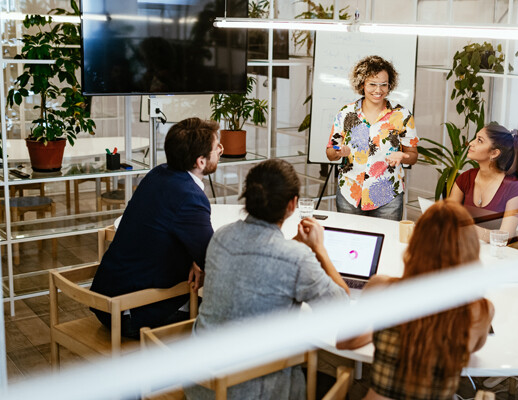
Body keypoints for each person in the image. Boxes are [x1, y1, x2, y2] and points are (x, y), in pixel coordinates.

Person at [186, 159, 349, 400]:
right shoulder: (295, 258)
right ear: (292, 205)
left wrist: (296, 244)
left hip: (200, 384)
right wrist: (319, 249)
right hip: (252, 390)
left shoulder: (222, 236)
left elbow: (258, 261)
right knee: (340, 381)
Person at [337, 201, 494, 400]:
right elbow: (472, 350)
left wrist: (383, 327)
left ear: (416, 242)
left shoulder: (381, 288)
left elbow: (343, 342)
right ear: (470, 250)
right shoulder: (480, 310)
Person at [90, 117, 221, 338]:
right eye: (217, 147)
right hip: (131, 312)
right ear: (200, 162)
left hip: (107, 300)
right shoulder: (190, 197)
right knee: (224, 318)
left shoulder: (158, 173)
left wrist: (195, 259)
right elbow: (214, 259)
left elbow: (170, 233)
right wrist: (199, 259)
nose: (220, 150)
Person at [326, 55, 419, 221]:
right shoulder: (346, 113)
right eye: (373, 84)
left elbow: (413, 155)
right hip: (350, 192)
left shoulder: (402, 115)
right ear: (362, 84)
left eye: (384, 84)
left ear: (390, 86)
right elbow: (330, 152)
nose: (378, 90)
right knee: (350, 243)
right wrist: (338, 151)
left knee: (386, 242)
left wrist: (404, 156)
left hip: (387, 194)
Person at [448, 123, 518, 239]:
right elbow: (448, 217)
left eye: (479, 140)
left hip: (497, 254)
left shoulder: (514, 187)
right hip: (465, 249)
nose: (471, 143)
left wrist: (468, 229)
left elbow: (505, 236)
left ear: (494, 153)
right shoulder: (465, 178)